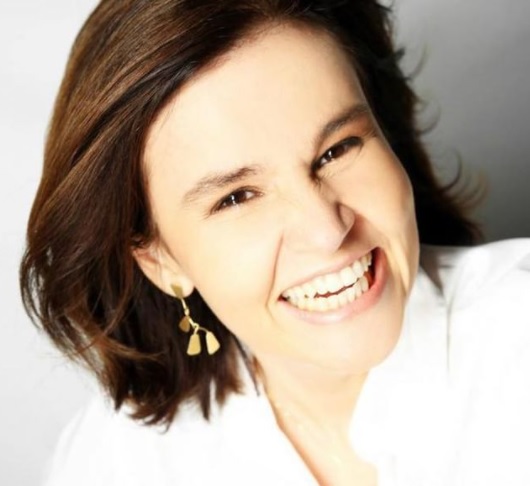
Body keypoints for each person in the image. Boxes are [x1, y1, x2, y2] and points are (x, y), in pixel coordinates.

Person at [20, 1, 530, 485]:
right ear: (161, 259)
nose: (326, 231)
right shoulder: (119, 461)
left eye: (337, 149)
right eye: (238, 197)